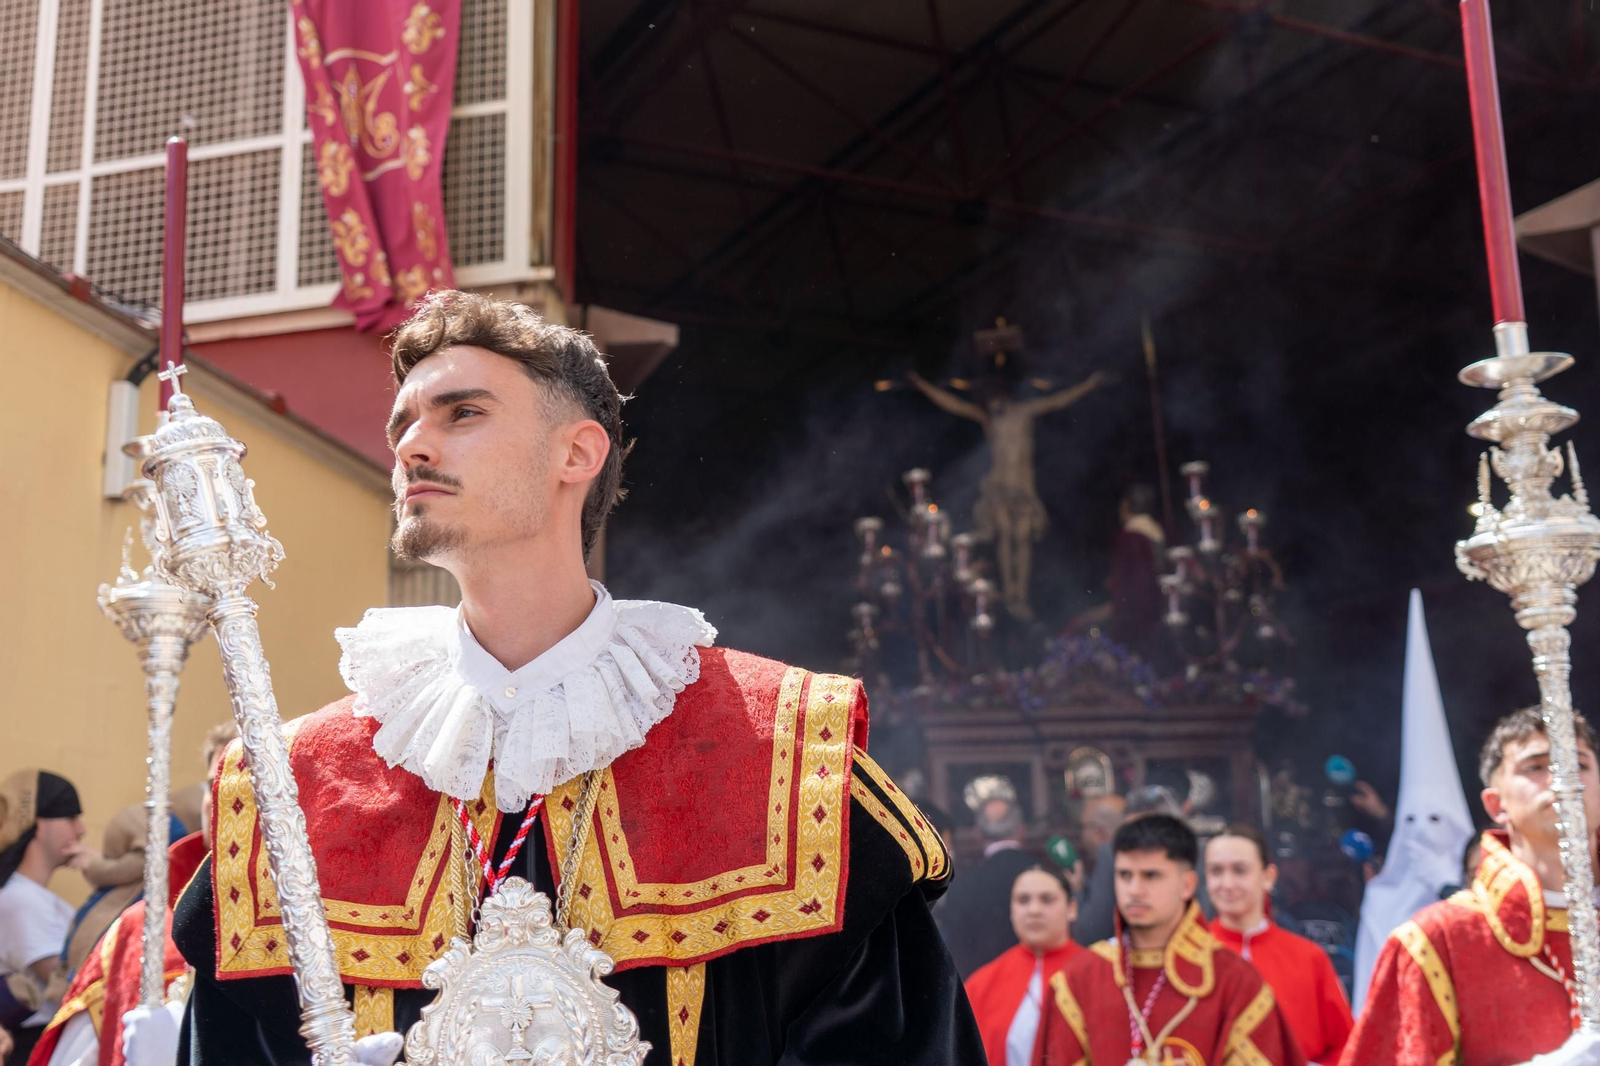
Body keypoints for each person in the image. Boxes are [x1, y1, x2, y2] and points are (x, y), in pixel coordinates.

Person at [170, 291, 980, 1066]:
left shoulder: (779, 752)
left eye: (463, 413)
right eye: (403, 424)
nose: (412, 445)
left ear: (578, 453)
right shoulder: (298, 782)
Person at [1343, 707, 1600, 1065]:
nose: (1562, 776)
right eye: (1536, 767)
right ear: (1496, 804)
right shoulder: (1437, 940)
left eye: (1580, 765)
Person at [30, 723, 239, 1066]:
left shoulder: (314, 934)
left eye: (240, 783)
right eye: (212, 783)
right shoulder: (139, 929)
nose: (218, 798)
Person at [1033, 814, 1303, 1065]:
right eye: (1125, 875)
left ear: (1187, 884)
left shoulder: (1234, 982)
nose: (1134, 890)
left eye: (1151, 875)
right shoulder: (1080, 979)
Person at [1204, 824, 1351, 1064]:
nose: (1227, 884)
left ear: (1268, 876)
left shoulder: (1309, 958)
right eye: (1216, 871)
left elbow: (1346, 1048)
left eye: (1240, 870)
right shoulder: (1185, 956)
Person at [0, 771, 85, 1066]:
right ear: (39, 824)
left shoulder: (36, 898)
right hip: (27, 1048)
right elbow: (69, 984)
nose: (82, 829)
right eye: (71, 817)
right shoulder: (20, 899)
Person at [965, 865, 1082, 1066]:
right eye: (1023, 900)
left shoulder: (1100, 973)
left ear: (1072, 908)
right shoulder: (981, 984)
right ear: (1011, 910)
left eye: (1047, 899)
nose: (1034, 910)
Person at [935, 793, 1039, 977]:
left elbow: (956, 952)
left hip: (979, 990)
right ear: (1022, 830)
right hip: (1037, 983)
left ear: (977, 834)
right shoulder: (1042, 875)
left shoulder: (962, 885)